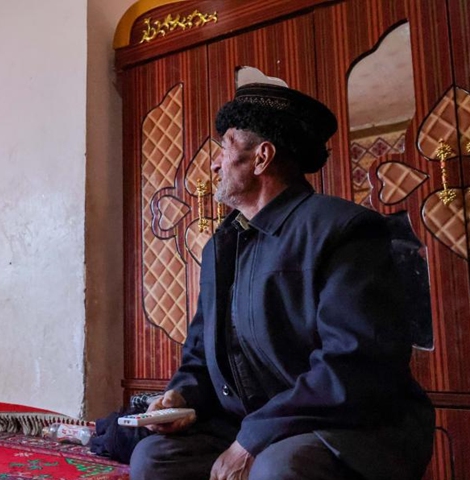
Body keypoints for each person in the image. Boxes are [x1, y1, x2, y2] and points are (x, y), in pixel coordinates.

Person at [128, 83, 435, 480]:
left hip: (349, 425)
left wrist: (254, 439)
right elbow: (201, 354)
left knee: (277, 467)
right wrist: (182, 395)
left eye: (226, 147)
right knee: (154, 459)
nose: (214, 164)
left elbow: (353, 363)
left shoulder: (345, 229)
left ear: (262, 157)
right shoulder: (221, 245)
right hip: (256, 423)